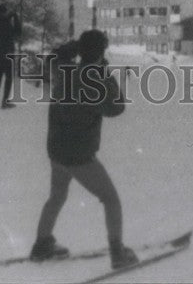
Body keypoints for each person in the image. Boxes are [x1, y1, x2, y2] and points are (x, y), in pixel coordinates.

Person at [30, 30, 137, 271]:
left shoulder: (64, 70)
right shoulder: (94, 81)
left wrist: (76, 47)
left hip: (56, 151)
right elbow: (116, 108)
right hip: (78, 157)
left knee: (57, 196)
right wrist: (104, 72)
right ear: (101, 53)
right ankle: (118, 253)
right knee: (110, 199)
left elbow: (55, 57)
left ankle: (42, 244)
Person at [0, 4, 22, 110]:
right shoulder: (7, 23)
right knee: (8, 78)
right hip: (8, 54)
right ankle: (5, 101)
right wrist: (15, 17)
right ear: (5, 12)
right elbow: (17, 32)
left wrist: (8, 18)